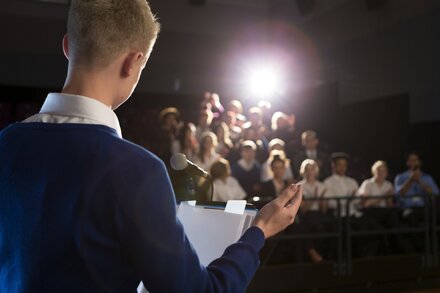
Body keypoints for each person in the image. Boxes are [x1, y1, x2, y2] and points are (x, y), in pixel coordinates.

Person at [0, 1, 304, 292]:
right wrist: (258, 231)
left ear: (67, 47)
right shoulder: (136, 169)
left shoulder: (6, 143)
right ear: (134, 63)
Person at [323, 153, 360, 217]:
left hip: (354, 215)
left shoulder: (352, 181)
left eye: (344, 165)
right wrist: (349, 200)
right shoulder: (328, 182)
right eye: (339, 165)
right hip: (337, 217)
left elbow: (358, 200)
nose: (342, 168)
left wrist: (352, 200)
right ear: (333, 166)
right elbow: (331, 203)